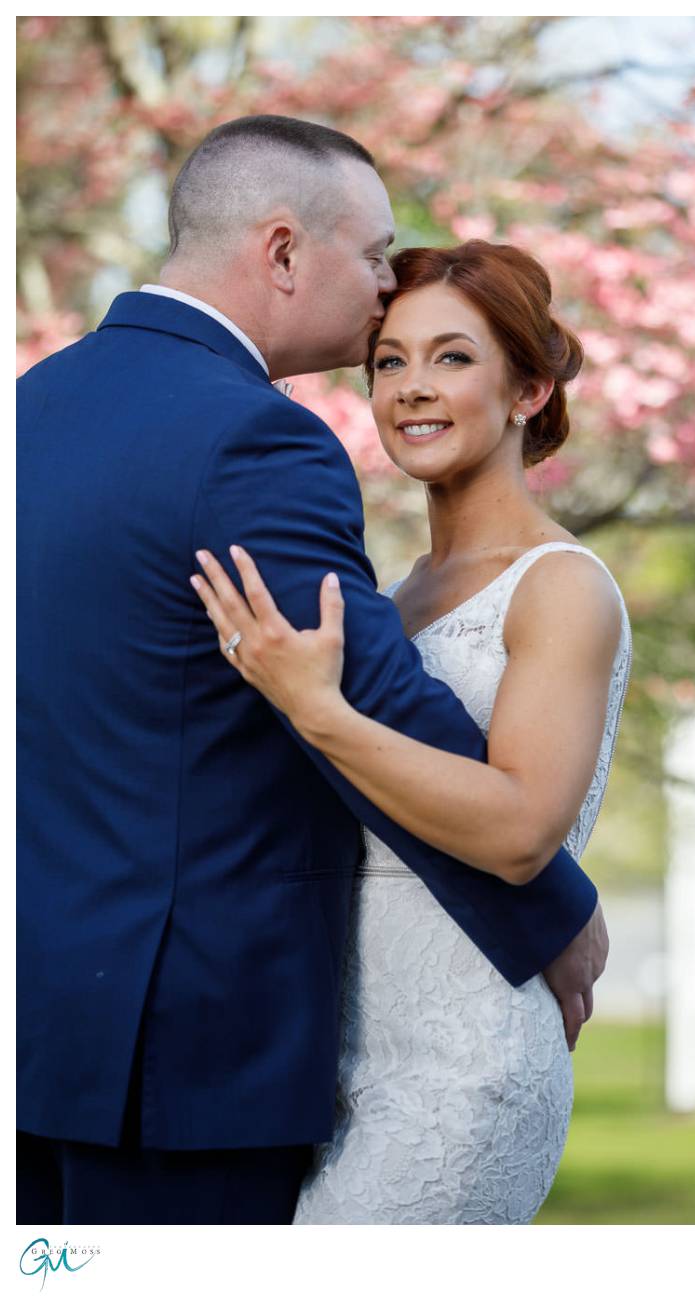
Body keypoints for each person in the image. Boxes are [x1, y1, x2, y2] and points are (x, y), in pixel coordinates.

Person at [17, 115, 607, 1226]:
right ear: (284, 253)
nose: (385, 287)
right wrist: (552, 906)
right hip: (189, 1055)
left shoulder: (29, 413)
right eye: (376, 253)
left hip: (42, 1029)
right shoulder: (250, 437)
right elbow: (360, 697)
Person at [190, 239, 632, 1224]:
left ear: (526, 389)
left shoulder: (561, 588)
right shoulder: (394, 593)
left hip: (463, 1068)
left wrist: (314, 708)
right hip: (338, 1052)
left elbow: (520, 830)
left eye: (450, 357)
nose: (409, 388)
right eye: (389, 360)